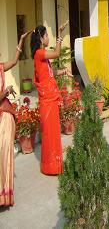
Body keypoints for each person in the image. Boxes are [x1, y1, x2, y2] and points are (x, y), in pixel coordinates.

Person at [30, 21, 70, 175]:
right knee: (50, 134)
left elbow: (49, 73)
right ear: (41, 38)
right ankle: (50, 167)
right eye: (47, 35)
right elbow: (57, 53)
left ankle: (54, 165)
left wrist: (63, 72)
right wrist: (60, 35)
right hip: (47, 101)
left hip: (50, 99)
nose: (48, 38)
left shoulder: (42, 57)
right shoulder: (40, 54)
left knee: (53, 133)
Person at [0, 31, 31, 206]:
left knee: (5, 154)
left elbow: (13, 61)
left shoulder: (0, 67)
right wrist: (5, 91)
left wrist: (20, 41)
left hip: (5, 115)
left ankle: (5, 196)